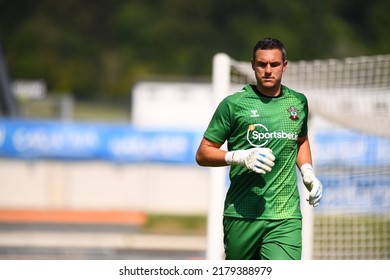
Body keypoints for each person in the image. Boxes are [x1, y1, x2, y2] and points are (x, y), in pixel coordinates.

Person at [195, 38, 322, 260]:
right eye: (262, 64)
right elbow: (203, 153)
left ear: (285, 65)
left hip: (285, 216)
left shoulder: (298, 102)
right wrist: (238, 156)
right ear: (253, 64)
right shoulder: (233, 105)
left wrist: (308, 171)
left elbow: (300, 140)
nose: (268, 70)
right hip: (242, 213)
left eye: (274, 64)